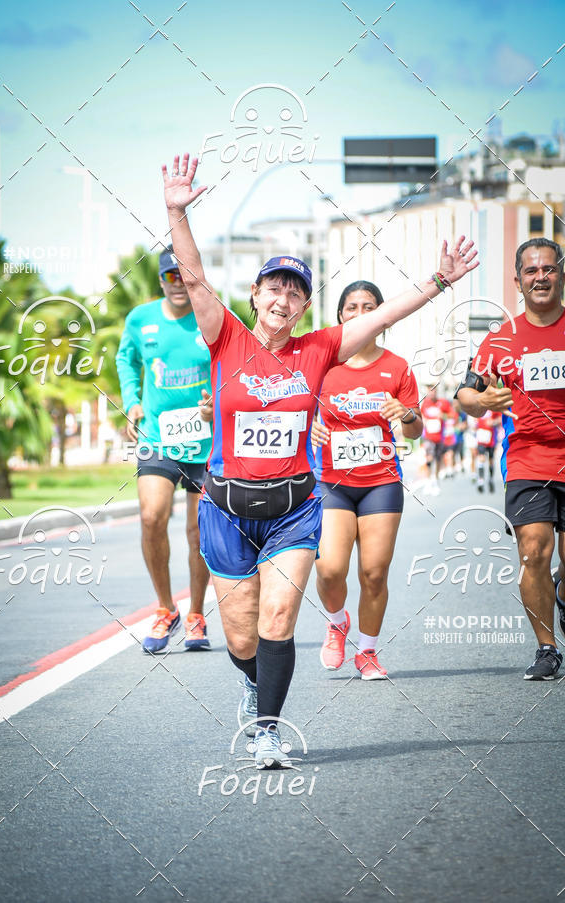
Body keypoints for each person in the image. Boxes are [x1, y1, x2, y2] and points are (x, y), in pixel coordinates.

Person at [163, 153, 478, 767]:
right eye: (274, 287)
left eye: (295, 291)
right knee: (241, 633)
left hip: (293, 510)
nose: (283, 298)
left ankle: (268, 728)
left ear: (305, 307)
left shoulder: (320, 348)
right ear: (255, 295)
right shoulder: (223, 334)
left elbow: (386, 314)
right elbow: (195, 273)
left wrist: (438, 281)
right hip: (226, 508)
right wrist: (177, 211)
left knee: (280, 615)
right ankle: (254, 687)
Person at [457, 237, 565, 680]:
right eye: (531, 271)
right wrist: (484, 402)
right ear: (517, 280)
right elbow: (466, 392)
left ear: (559, 273)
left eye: (548, 269)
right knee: (534, 551)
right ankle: (546, 649)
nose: (540, 277)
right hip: (528, 460)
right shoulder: (501, 340)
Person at [311, 280, 423, 680]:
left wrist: (406, 415)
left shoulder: (397, 367)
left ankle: (369, 651)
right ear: (341, 316)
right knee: (329, 570)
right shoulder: (323, 366)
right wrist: (312, 431)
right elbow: (296, 412)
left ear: (382, 315)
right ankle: (337, 621)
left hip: (382, 481)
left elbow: (414, 431)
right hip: (332, 483)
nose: (360, 314)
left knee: (374, 572)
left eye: (369, 307)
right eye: (351, 307)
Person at [116, 247, 212, 654]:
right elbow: (125, 358)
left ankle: (196, 615)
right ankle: (165, 607)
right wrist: (131, 399)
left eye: (184, 276)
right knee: (151, 516)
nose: (177, 284)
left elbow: (235, 364)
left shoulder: (211, 315)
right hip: (158, 437)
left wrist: (218, 403)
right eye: (170, 277)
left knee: (198, 532)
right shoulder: (141, 319)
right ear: (160, 280)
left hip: (208, 441)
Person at [420, 385, 453, 494]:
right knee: (429, 457)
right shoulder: (425, 403)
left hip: (440, 437)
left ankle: (436, 481)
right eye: (429, 391)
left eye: (433, 391)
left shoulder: (443, 403)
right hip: (428, 436)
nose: (431, 393)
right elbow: (420, 416)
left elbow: (452, 415)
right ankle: (429, 481)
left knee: (438, 459)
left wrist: (442, 415)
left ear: (436, 392)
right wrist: (423, 420)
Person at [474, 410, 501, 492]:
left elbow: (500, 418)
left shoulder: (493, 407)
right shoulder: (479, 405)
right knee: (481, 458)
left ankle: (491, 479)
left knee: (491, 460)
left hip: (491, 438)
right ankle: (481, 481)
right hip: (481, 437)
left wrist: (493, 422)